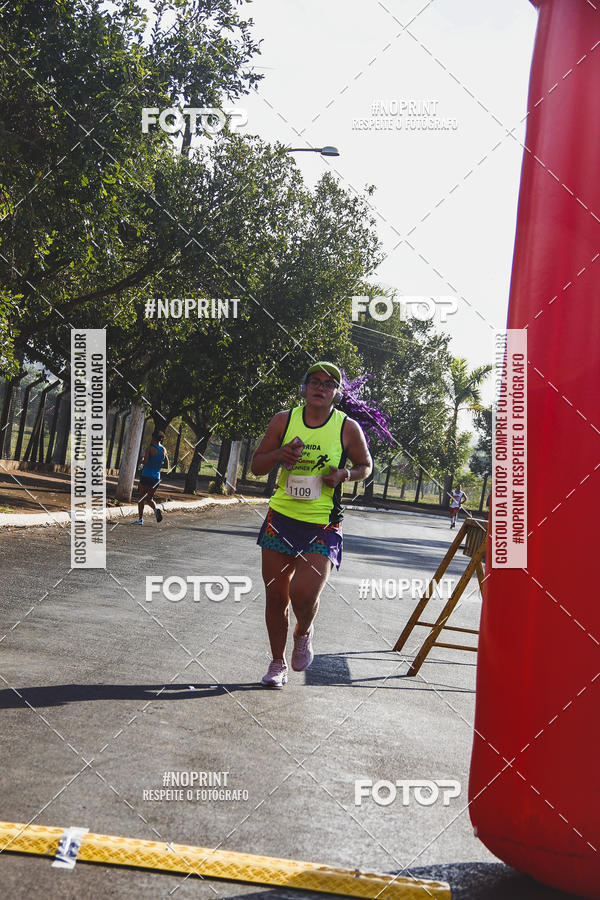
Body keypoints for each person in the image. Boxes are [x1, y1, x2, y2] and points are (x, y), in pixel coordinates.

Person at [251, 362, 372, 688]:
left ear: (337, 392)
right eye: (314, 381)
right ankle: (277, 663)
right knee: (277, 597)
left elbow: (365, 466)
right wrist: (279, 455)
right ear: (304, 387)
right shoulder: (284, 420)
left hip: (323, 525)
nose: (321, 386)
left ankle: (303, 631)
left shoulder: (347, 427)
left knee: (302, 594)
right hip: (281, 519)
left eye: (329, 383)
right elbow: (256, 466)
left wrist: (343, 474)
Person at [133, 429, 169, 525]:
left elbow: (145, 462)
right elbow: (166, 466)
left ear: (153, 438)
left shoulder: (150, 448)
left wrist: (141, 461)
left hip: (146, 476)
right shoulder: (164, 450)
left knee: (141, 498)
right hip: (156, 478)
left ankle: (140, 519)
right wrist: (156, 465)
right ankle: (156, 509)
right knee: (149, 498)